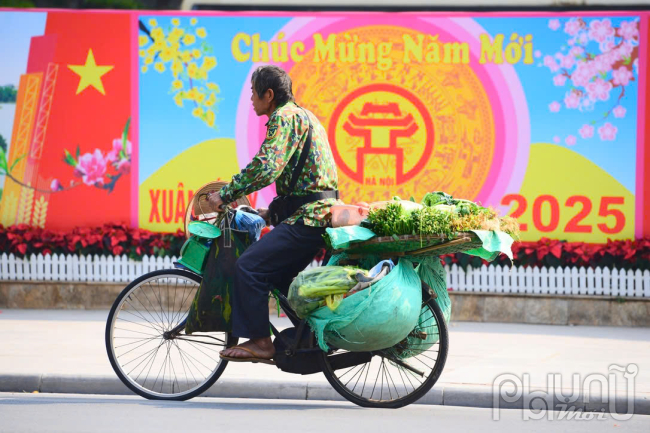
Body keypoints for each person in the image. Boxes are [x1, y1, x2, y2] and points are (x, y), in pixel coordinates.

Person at [208, 65, 340, 364]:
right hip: (313, 214)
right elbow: (305, 180)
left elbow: (268, 167)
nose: (251, 99)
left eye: (254, 93)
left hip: (310, 218)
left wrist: (225, 194)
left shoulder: (284, 117)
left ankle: (260, 342)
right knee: (281, 280)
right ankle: (313, 334)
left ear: (269, 95)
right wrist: (270, 214)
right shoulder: (303, 116)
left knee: (249, 267)